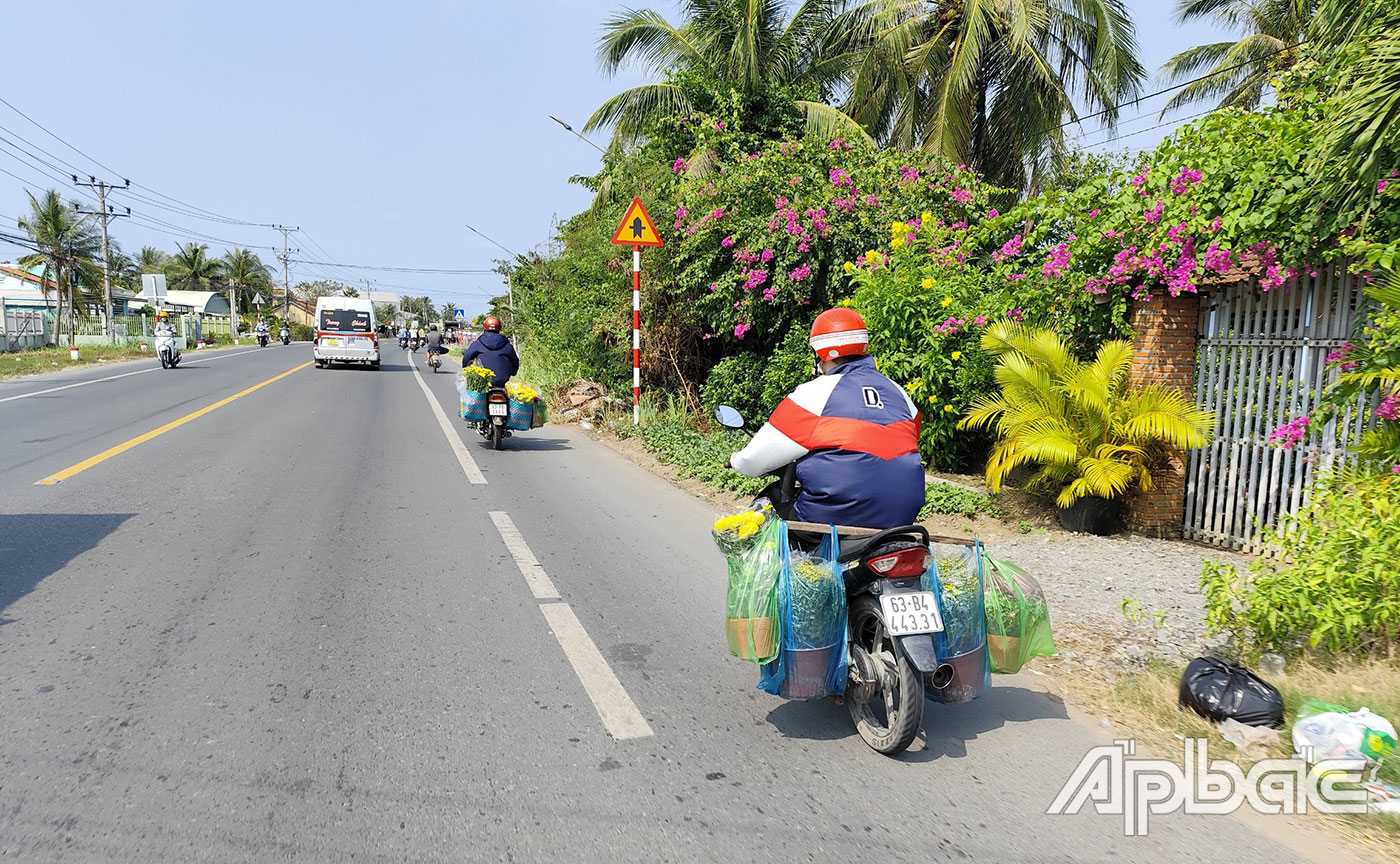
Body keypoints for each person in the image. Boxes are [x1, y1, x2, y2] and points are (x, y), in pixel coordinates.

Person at [727, 308, 924, 529]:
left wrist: (737, 461)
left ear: (820, 353)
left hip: (830, 517)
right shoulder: (901, 394)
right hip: (901, 519)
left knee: (766, 510)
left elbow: (753, 461)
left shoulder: (815, 393)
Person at [461, 316, 519, 386]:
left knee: (472, 393)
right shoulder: (507, 345)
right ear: (499, 328)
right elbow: (515, 361)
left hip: (483, 380)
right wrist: (514, 372)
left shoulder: (478, 343)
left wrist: (465, 368)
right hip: (503, 381)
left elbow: (467, 356)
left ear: (485, 328)